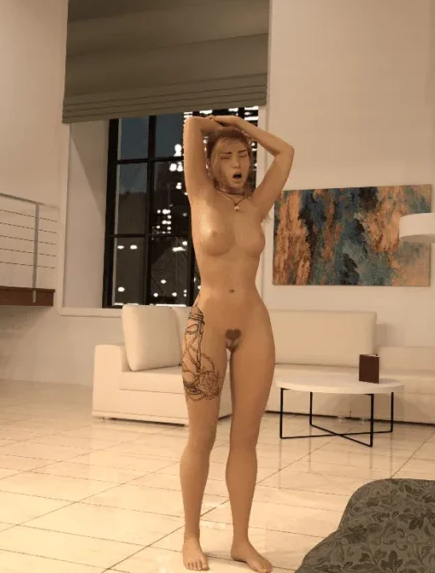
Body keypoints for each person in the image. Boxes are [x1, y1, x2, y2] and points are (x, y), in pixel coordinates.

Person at [178, 114, 294, 572]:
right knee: (202, 436)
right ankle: (191, 536)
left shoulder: (256, 205)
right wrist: (215, 126)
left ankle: (241, 540)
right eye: (226, 156)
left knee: (246, 439)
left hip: (253, 323)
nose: (238, 163)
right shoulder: (200, 194)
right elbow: (191, 125)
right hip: (206, 322)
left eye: (243, 155)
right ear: (210, 165)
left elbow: (286, 154)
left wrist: (246, 130)